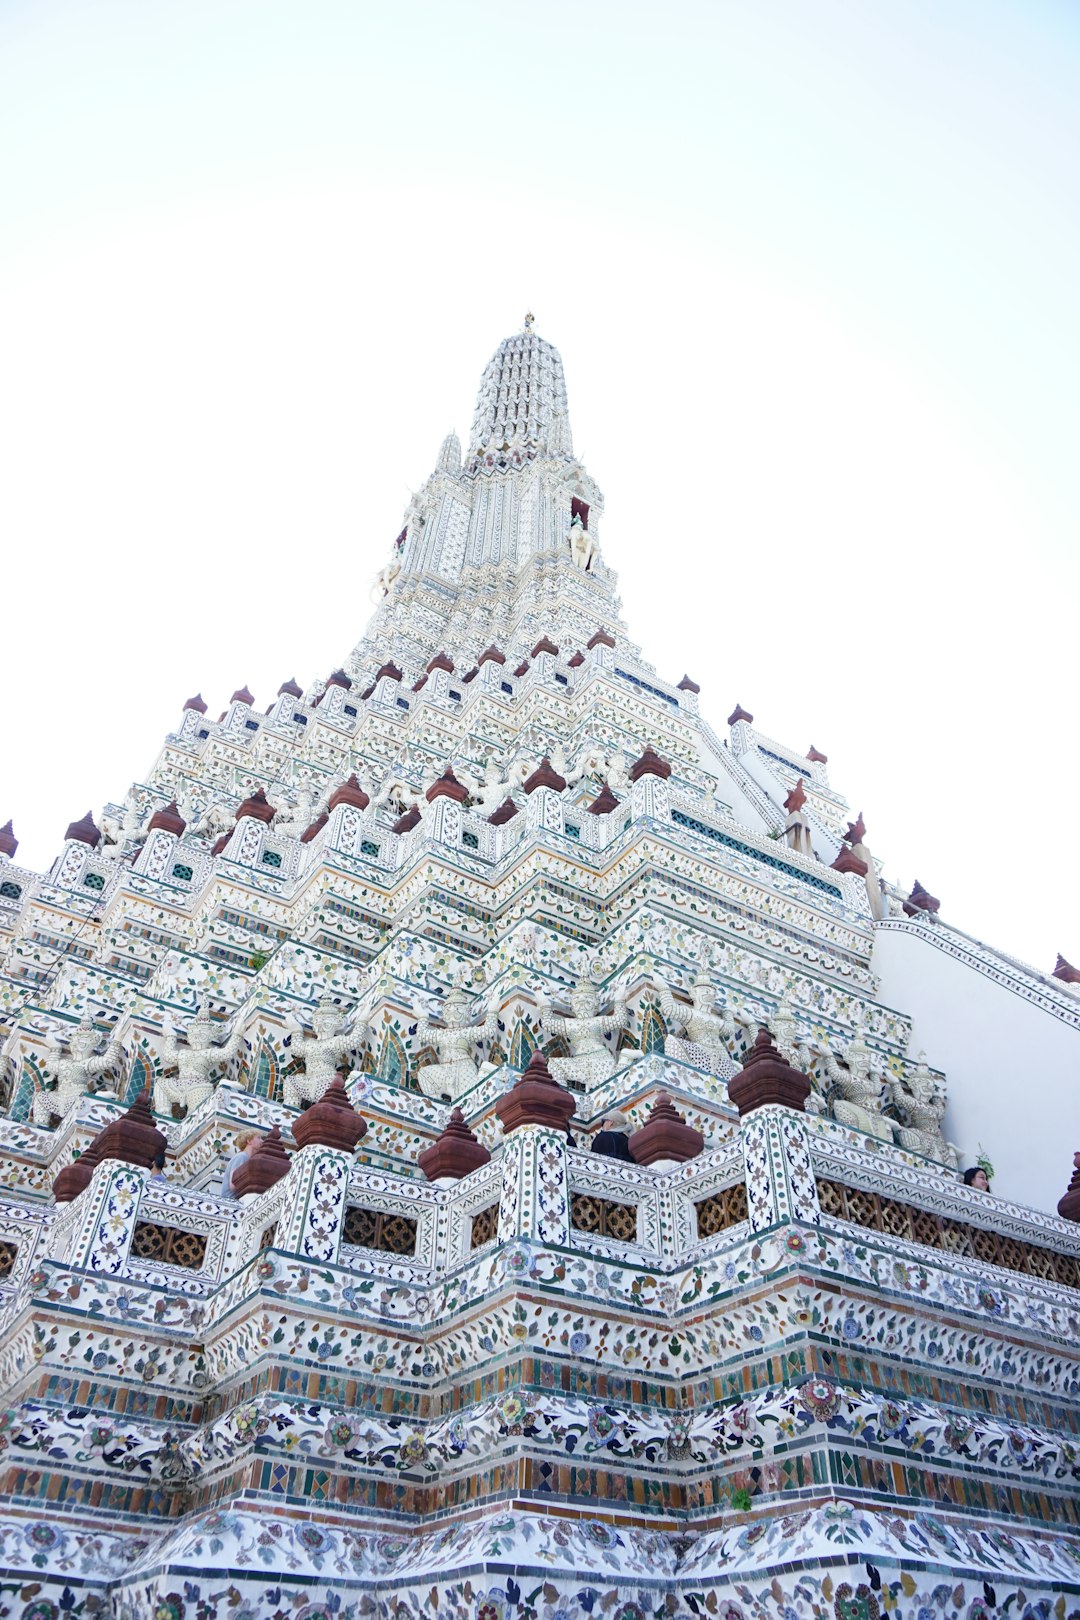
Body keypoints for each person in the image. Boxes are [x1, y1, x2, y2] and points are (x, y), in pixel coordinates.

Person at [220, 1130, 261, 1198]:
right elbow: (233, 1184)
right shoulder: (242, 1157)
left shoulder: (247, 1158)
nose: (261, 1141)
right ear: (249, 1141)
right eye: (258, 1138)